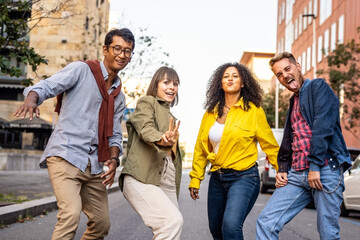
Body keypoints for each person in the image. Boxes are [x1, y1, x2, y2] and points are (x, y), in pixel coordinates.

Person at [13, 28, 135, 240]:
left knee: (101, 224)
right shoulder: (82, 70)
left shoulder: (119, 96)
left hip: (94, 164)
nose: (122, 55)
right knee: (70, 214)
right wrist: (32, 100)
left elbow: (115, 133)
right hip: (66, 154)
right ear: (105, 49)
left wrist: (114, 159)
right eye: (117, 48)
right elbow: (48, 86)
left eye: (127, 51)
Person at [256, 52, 352, 240]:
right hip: (297, 174)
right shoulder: (293, 101)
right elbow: (289, 138)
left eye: (287, 69)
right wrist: (283, 167)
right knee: (266, 222)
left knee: (328, 234)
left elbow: (323, 128)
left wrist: (315, 166)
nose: (284, 76)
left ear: (298, 67)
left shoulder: (318, 87)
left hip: (324, 170)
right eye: (279, 74)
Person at [189, 62, 279, 240]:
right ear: (220, 83)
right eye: (226, 76)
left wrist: (282, 170)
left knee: (230, 227)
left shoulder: (253, 111)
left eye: (235, 76)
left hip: (244, 177)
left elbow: (270, 144)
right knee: (216, 230)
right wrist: (195, 179)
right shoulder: (210, 113)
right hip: (217, 177)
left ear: (243, 82)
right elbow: (201, 148)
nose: (230, 78)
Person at [119, 66, 183, 240]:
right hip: (142, 176)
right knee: (172, 222)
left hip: (166, 178)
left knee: (172, 229)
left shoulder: (172, 118)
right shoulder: (147, 103)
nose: (172, 87)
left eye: (175, 84)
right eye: (166, 82)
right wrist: (163, 139)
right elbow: (145, 129)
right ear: (156, 85)